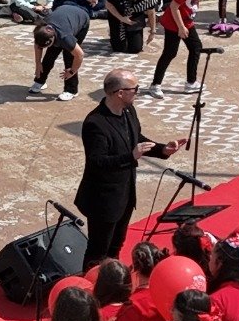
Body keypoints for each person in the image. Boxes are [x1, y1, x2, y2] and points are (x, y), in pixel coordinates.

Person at [76, 69, 186, 262]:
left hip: (125, 195)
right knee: (97, 253)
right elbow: (97, 162)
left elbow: (137, 139)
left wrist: (162, 149)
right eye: (135, 89)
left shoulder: (129, 111)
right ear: (120, 93)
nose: (138, 92)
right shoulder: (96, 123)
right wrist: (130, 156)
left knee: (116, 246)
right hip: (103, 201)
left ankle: (113, 276)